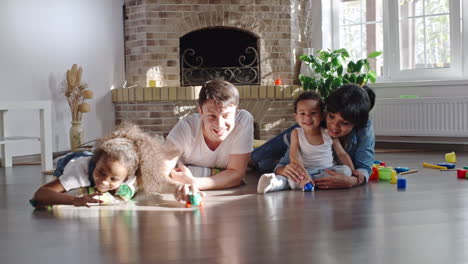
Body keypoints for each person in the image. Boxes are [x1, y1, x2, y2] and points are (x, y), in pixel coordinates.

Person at [251, 84, 375, 190]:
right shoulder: (310, 125)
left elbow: (364, 166)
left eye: (345, 123)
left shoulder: (363, 127)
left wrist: (351, 180)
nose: (334, 126)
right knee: (257, 159)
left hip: (327, 168)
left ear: (356, 124)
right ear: (325, 112)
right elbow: (293, 156)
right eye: (331, 116)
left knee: (265, 164)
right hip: (304, 162)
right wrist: (284, 169)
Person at [162, 80, 254, 201]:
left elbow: (236, 174)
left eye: (226, 115)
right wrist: (178, 186)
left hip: (191, 175)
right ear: (200, 110)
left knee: (260, 160)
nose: (220, 125)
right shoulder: (186, 128)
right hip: (182, 170)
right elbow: (158, 173)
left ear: (236, 111)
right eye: (212, 116)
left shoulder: (243, 120)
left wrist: (194, 182)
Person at [31, 123, 151, 207]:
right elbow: (40, 194)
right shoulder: (79, 172)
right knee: (68, 160)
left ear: (126, 178)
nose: (104, 182)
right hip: (72, 159)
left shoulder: (130, 175)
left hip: (90, 157)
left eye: (113, 179)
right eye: (101, 173)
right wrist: (74, 200)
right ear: (96, 162)